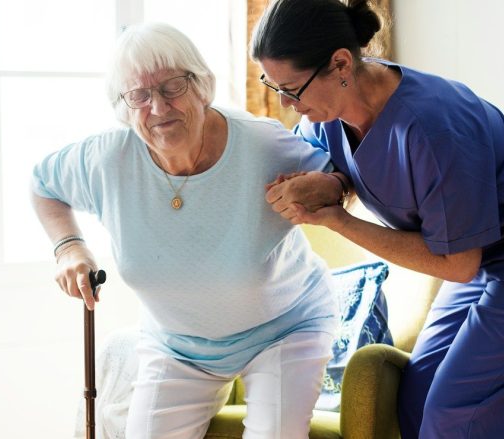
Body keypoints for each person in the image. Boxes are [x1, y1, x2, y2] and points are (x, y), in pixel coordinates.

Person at [249, 0, 504, 438]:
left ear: (341, 63)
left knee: (458, 411)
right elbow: (339, 168)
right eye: (275, 87)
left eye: (292, 89)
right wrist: (330, 187)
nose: (288, 105)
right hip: (485, 248)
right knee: (418, 395)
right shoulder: (329, 114)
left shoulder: (433, 128)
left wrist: (338, 220)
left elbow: (457, 266)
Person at [31, 22, 344, 439]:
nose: (157, 109)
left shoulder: (261, 145)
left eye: (171, 87)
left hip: (285, 328)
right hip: (177, 345)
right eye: (138, 95)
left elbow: (345, 179)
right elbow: (42, 184)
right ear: (124, 106)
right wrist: (69, 247)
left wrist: (335, 186)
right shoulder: (107, 159)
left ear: (202, 86)